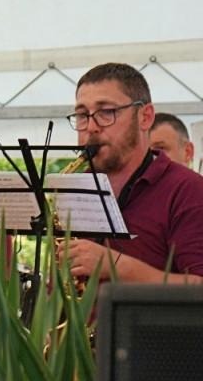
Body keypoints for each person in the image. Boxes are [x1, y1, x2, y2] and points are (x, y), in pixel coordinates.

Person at [64, 65, 203, 284]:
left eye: (106, 112)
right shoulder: (74, 189)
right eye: (82, 115)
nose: (90, 127)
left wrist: (118, 267)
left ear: (145, 117)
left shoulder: (188, 189)